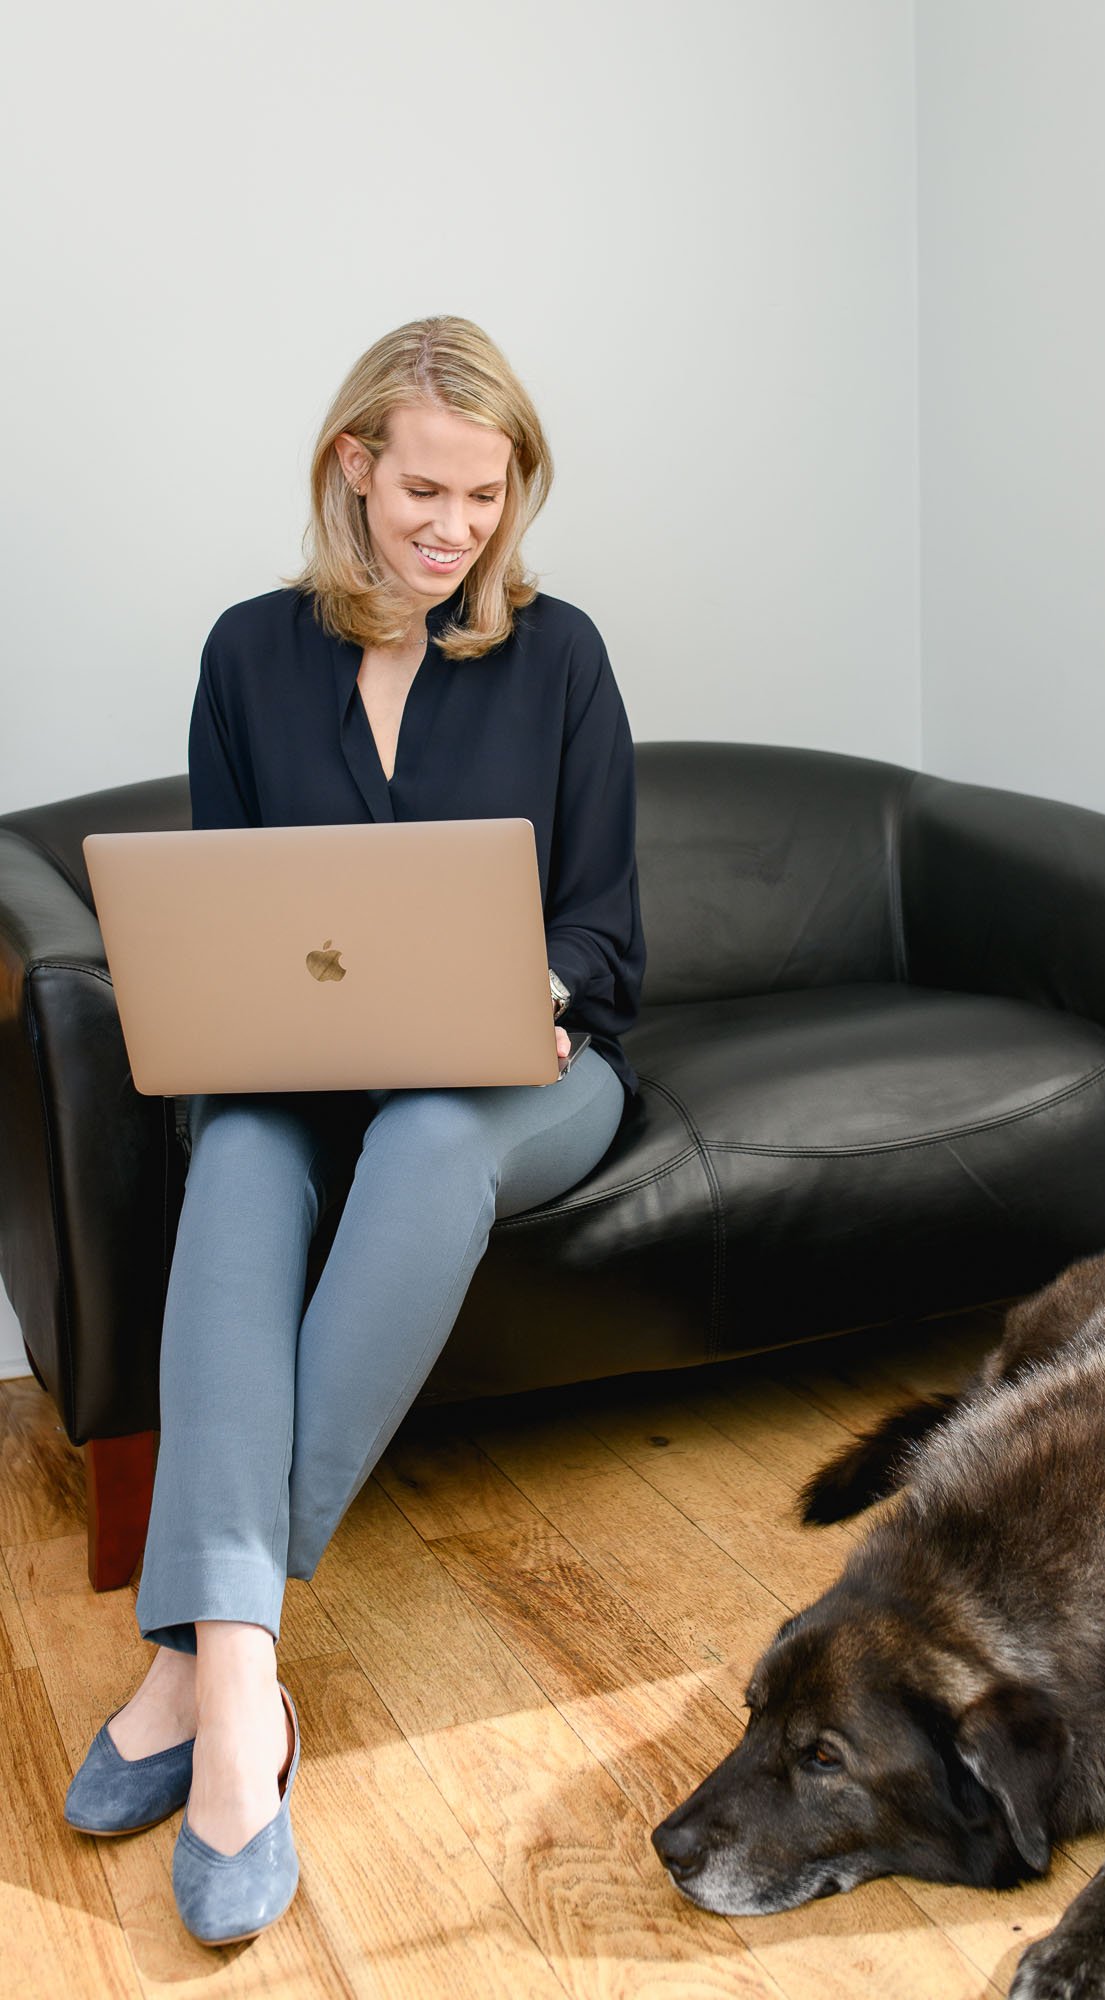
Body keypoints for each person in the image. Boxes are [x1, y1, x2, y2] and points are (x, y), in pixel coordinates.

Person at [63, 316, 645, 1946]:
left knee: (429, 1143)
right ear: (353, 467)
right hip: (307, 1076)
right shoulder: (249, 654)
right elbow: (232, 921)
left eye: (487, 495)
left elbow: (609, 937)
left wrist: (529, 987)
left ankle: (196, 1663)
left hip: (512, 1083)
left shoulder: (562, 652)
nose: (454, 528)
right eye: (424, 493)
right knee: (239, 1150)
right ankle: (241, 1683)